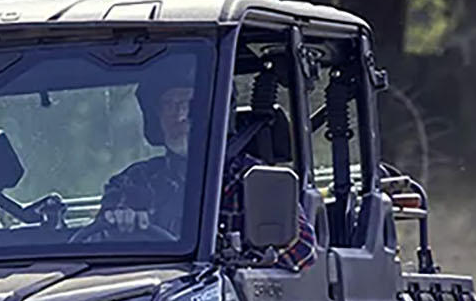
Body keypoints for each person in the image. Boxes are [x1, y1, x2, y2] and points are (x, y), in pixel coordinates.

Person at [95, 69, 317, 271]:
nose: (179, 116)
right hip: (143, 297)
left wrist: (242, 267)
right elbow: (92, 245)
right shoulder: (133, 181)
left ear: (213, 114)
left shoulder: (249, 178)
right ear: (156, 117)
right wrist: (118, 228)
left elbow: (303, 250)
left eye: (189, 104)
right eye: (169, 105)